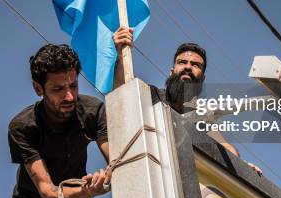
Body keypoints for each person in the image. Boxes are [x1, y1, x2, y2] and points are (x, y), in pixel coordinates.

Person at [112, 27, 262, 174]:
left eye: (195, 65)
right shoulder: (152, 95)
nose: (188, 67)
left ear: (203, 79)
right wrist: (120, 55)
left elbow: (227, 150)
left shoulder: (203, 119)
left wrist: (243, 170)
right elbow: (121, 98)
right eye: (182, 62)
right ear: (172, 72)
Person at [8, 44, 110, 198]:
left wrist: (106, 177)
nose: (69, 96)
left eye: (73, 86)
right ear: (38, 88)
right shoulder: (22, 127)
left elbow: (118, 162)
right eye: (58, 89)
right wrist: (90, 191)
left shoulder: (93, 111)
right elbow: (47, 191)